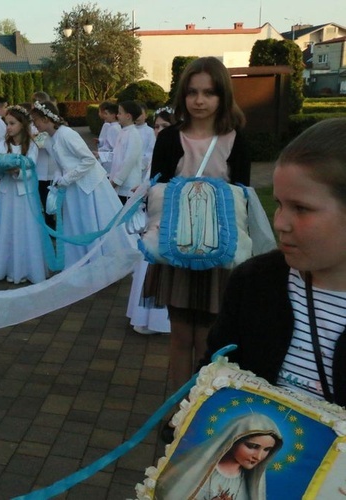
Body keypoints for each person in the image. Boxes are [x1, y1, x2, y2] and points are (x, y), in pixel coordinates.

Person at [203, 118, 346, 407]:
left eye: (301, 208)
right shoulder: (254, 282)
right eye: (279, 204)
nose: (279, 223)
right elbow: (212, 375)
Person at [143, 57, 251, 401]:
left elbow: (243, 197)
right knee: (179, 335)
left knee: (208, 336)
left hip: (216, 251)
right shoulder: (170, 139)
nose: (199, 100)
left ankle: (199, 406)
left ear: (223, 96)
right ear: (182, 96)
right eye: (192, 92)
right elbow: (155, 191)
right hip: (177, 248)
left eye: (209, 92)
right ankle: (176, 407)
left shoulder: (236, 139)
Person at [29, 100, 135, 269]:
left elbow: (88, 160)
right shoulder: (48, 138)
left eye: (35, 120)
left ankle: (100, 262)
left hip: (89, 186)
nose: (33, 124)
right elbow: (58, 162)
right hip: (73, 187)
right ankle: (81, 261)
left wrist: (67, 178)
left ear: (45, 118)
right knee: (76, 222)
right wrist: (58, 177)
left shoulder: (66, 134)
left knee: (91, 220)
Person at [0, 104, 49, 284]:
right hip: (6, 193)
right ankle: (5, 268)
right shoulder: (2, 144)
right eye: (7, 124)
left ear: (22, 124)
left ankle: (27, 268)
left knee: (25, 229)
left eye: (12, 123)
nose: (8, 127)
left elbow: (31, 169)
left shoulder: (31, 146)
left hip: (24, 195)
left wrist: (17, 172)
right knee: (6, 227)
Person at [126, 106, 175, 336]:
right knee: (148, 262)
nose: (159, 131)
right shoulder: (156, 149)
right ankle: (145, 314)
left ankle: (161, 318)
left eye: (165, 126)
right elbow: (151, 178)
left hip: (168, 217)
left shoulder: (175, 151)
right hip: (152, 215)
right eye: (156, 126)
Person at [155, 413, 283, 500]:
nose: (259, 457)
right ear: (234, 441)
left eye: (267, 450)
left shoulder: (252, 483)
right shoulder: (197, 469)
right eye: (252, 446)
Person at [108, 100, 144, 205]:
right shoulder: (123, 132)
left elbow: (129, 161)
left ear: (128, 116)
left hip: (128, 186)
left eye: (119, 113)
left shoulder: (134, 134)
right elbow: (117, 156)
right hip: (118, 184)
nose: (117, 115)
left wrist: (116, 181)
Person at [30, 91, 57, 229]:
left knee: (46, 195)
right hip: (42, 166)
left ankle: (50, 221)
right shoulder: (35, 123)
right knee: (43, 194)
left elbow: (39, 141)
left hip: (46, 168)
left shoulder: (46, 126)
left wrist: (29, 136)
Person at [96, 102, 120, 173]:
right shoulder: (113, 127)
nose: (104, 116)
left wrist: (100, 153)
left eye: (106, 114)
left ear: (113, 115)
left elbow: (113, 147)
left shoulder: (113, 128)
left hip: (108, 160)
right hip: (106, 158)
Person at [134, 101, 157, 175]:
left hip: (141, 169)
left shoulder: (150, 132)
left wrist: (140, 165)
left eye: (140, 114)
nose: (137, 116)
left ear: (146, 115)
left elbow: (150, 152)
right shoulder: (128, 130)